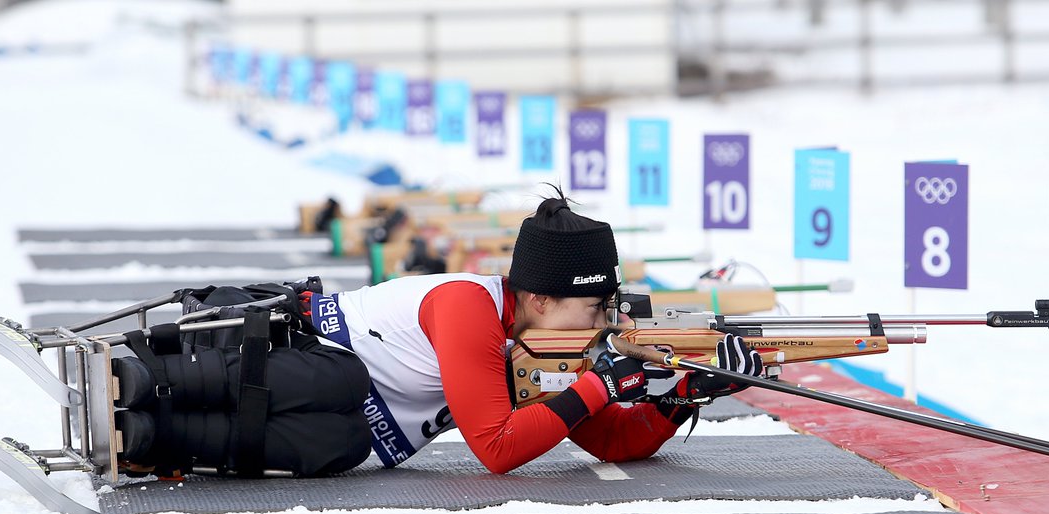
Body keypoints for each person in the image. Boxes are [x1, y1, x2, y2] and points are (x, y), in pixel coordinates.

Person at [112, 190, 764, 477]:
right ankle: (138, 405)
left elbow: (611, 441)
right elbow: (498, 450)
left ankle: (146, 428)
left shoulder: (542, 343)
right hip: (289, 381)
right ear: (537, 297)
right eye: (592, 307)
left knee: (341, 429)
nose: (602, 322)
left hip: (335, 435)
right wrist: (599, 387)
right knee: (338, 402)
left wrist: (680, 399)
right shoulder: (467, 308)